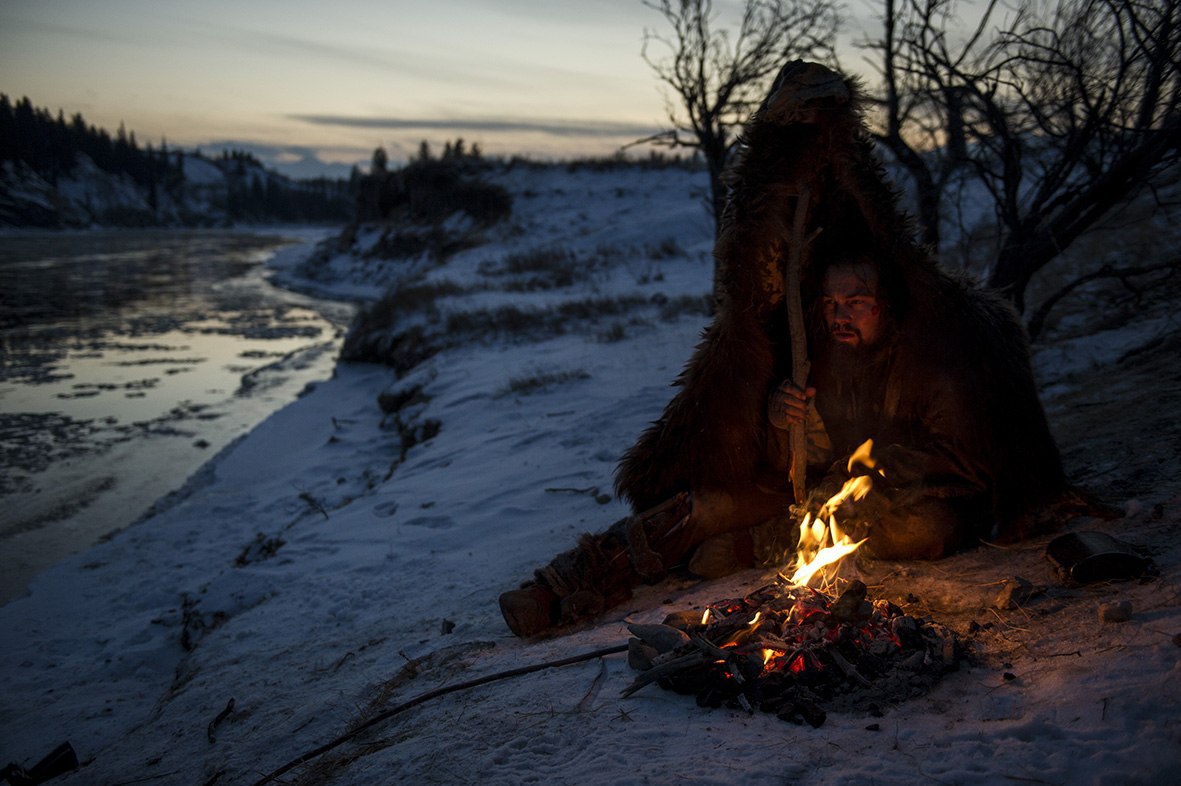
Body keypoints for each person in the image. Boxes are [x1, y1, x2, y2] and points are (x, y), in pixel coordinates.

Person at [499, 60, 1072, 638]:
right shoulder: (820, 349)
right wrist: (780, 420)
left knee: (924, 529)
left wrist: (857, 482)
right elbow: (789, 458)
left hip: (896, 503)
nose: (840, 314)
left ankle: (759, 545)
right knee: (699, 508)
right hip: (805, 499)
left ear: (887, 302)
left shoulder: (932, 356)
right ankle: (564, 585)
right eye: (830, 303)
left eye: (857, 301)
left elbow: (962, 461)